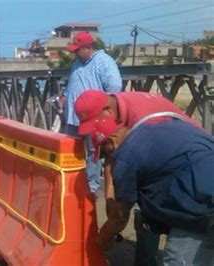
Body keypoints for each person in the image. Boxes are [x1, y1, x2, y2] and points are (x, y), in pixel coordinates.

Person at [75, 89, 203, 266]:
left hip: (192, 175)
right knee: (144, 214)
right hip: (183, 165)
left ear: (108, 111)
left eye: (94, 121)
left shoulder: (144, 122)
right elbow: (112, 156)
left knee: (175, 251)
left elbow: (122, 213)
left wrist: (100, 241)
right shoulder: (119, 123)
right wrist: (110, 199)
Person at [60, 31, 122, 193]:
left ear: (88, 47)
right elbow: (72, 84)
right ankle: (72, 182)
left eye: (77, 49)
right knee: (72, 149)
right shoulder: (78, 62)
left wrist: (102, 109)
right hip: (74, 116)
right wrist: (65, 96)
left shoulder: (104, 62)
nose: (74, 53)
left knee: (93, 152)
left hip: (93, 117)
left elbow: (114, 88)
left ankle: (91, 187)